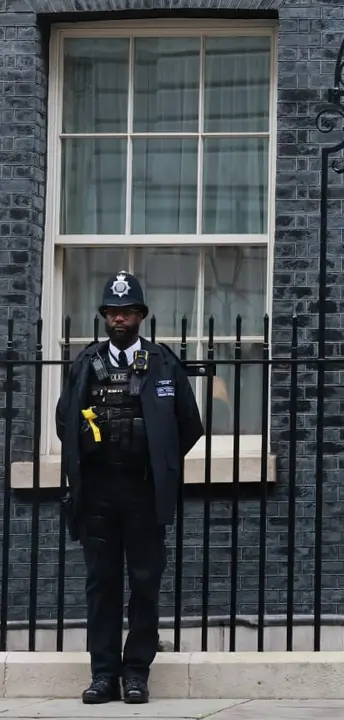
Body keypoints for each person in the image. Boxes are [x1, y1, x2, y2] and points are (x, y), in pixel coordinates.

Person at [57, 271, 204, 704]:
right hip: (99, 490)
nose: (119, 319)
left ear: (140, 316)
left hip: (143, 491)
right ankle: (104, 674)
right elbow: (66, 420)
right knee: (101, 583)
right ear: (105, 317)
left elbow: (189, 424)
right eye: (112, 312)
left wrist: (158, 457)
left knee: (144, 582)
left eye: (127, 312)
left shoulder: (163, 362)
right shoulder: (86, 362)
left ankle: (136, 672)